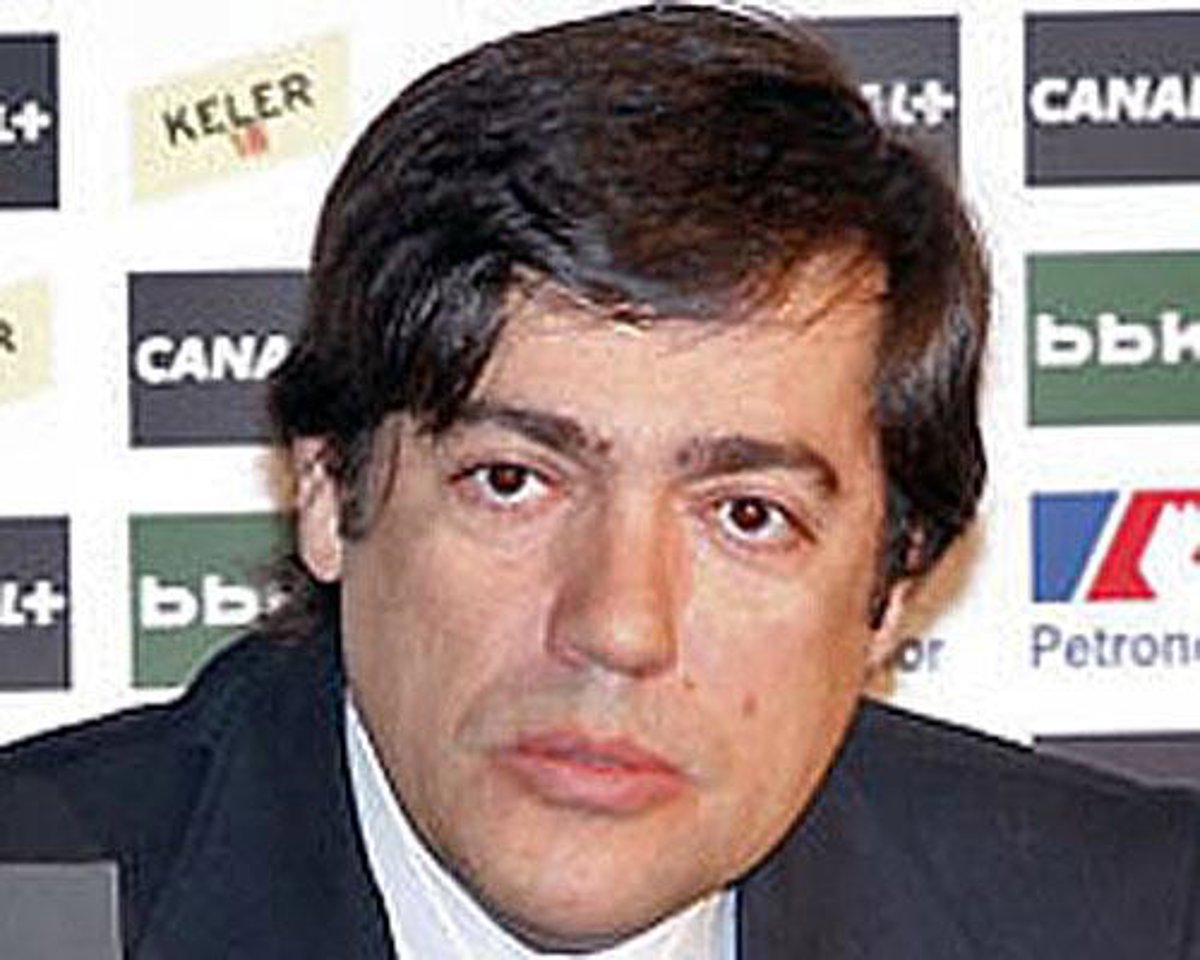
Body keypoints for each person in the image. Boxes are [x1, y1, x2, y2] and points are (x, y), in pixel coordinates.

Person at [2, 5, 1198, 958]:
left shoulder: (1139, 920)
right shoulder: (32, 903)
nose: (618, 625)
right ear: (329, 485)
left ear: (892, 584)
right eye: (512, 481)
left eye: (748, 516)